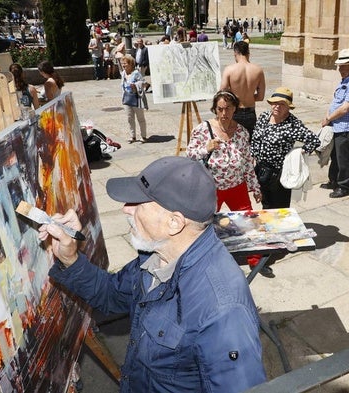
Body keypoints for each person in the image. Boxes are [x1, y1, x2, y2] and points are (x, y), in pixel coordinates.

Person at [39, 156, 267, 392]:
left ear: (174, 223)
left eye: (139, 203)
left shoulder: (221, 310)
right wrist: (69, 257)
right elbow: (111, 294)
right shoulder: (156, 256)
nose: (126, 209)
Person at [186, 90, 271, 276]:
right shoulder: (203, 129)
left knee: (249, 223)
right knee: (204, 226)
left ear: (235, 109)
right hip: (211, 188)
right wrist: (206, 147)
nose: (224, 113)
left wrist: (255, 187)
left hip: (237, 187)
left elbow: (248, 162)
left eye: (228, 109)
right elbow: (189, 155)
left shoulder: (241, 132)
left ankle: (256, 260)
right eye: (220, 109)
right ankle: (201, 260)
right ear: (215, 109)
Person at [251, 87, 321, 209]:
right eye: (275, 103)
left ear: (288, 106)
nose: (277, 106)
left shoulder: (292, 124)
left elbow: (314, 140)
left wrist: (299, 152)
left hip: (279, 174)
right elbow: (255, 139)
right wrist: (252, 157)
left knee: (279, 208)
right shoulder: (264, 117)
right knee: (266, 204)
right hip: (261, 170)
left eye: (282, 104)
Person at [320, 47, 349, 198]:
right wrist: (328, 117)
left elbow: (346, 108)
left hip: (345, 126)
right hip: (335, 124)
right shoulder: (345, 80)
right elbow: (336, 101)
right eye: (340, 65)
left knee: (343, 158)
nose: (339, 68)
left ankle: (344, 186)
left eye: (343, 65)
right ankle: (333, 180)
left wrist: (329, 118)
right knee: (334, 155)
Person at [220, 41, 266, 140]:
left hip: (235, 111)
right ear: (248, 53)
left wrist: (236, 98)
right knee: (249, 144)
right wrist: (249, 96)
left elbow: (222, 94)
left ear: (235, 53)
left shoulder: (229, 69)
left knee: (233, 143)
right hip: (250, 112)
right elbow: (260, 97)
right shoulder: (258, 70)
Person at [120, 55, 147, 143]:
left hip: (137, 98)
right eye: (122, 63)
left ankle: (143, 136)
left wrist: (135, 86)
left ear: (131, 64)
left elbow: (144, 83)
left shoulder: (136, 73)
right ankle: (133, 136)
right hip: (127, 98)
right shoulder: (123, 73)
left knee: (140, 118)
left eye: (125, 63)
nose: (123, 65)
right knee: (129, 118)